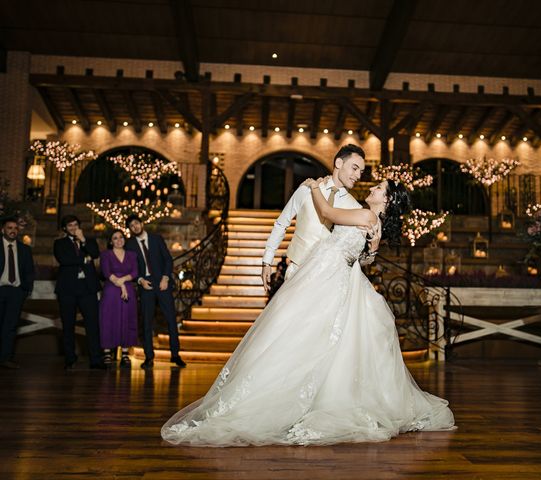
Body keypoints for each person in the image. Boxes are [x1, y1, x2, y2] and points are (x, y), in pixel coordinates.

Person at [161, 178, 455, 447]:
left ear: (387, 200)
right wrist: (372, 248)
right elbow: (364, 260)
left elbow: (328, 214)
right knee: (320, 335)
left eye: (379, 188)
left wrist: (314, 187)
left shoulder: (366, 215)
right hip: (334, 272)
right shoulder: (373, 221)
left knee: (301, 330)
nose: (373, 187)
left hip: (328, 272)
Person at [261, 144, 380, 293]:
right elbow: (281, 223)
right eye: (354, 168)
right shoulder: (306, 189)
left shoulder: (354, 207)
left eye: (361, 171)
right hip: (296, 273)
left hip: (328, 281)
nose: (358, 176)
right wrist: (267, 261)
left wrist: (371, 251)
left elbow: (354, 253)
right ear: (338, 163)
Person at [125, 215, 186, 369]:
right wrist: (140, 280)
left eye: (136, 223)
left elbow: (167, 259)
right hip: (145, 285)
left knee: (171, 319)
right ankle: (149, 357)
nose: (135, 227)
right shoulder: (130, 245)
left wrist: (165, 278)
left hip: (162, 283)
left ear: (141, 223)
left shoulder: (156, 238)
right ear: (130, 229)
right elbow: (131, 268)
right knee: (146, 322)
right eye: (131, 226)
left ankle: (175, 355)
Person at [54, 215, 105, 370]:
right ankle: (70, 358)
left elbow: (95, 254)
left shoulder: (88, 241)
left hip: (87, 288)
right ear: (65, 228)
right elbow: (64, 260)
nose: (73, 228)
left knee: (93, 324)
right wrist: (84, 260)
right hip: (67, 289)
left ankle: (96, 359)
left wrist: (83, 241)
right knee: (68, 325)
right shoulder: (59, 243)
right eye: (70, 225)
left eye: (76, 224)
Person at [99, 229, 139, 368]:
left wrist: (123, 282)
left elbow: (135, 272)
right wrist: (120, 284)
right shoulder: (106, 255)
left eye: (121, 237)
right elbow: (106, 272)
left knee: (127, 318)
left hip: (128, 290)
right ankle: (107, 352)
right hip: (111, 290)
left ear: (124, 239)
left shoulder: (132, 255)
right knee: (109, 319)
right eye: (115, 238)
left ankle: (125, 354)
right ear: (111, 242)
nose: (118, 240)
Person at [0, 217, 34, 369]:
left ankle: (6, 358)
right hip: (0, 289)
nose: (13, 230)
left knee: (11, 326)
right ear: (3, 230)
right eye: (9, 228)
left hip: (16, 292)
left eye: (15, 228)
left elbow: (29, 272)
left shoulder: (24, 249)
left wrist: (25, 290)